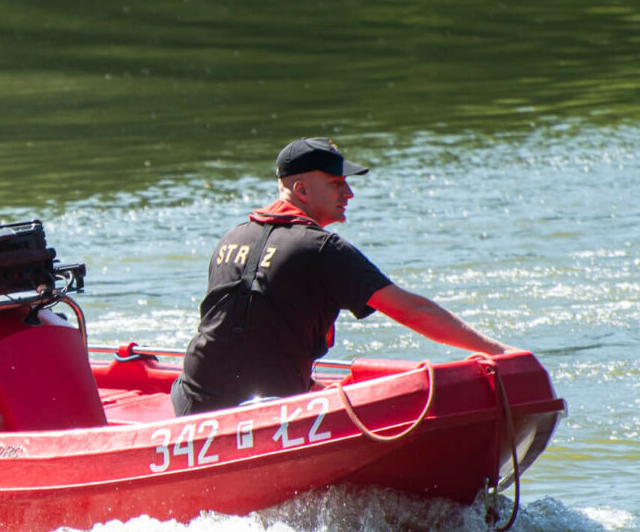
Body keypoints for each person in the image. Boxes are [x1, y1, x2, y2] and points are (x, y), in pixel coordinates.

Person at [171, 136, 513, 415]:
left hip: (193, 403)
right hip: (269, 411)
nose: (348, 194)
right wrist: (498, 352)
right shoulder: (323, 249)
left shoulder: (230, 239)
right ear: (301, 191)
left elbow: (248, 333)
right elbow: (412, 311)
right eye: (336, 184)